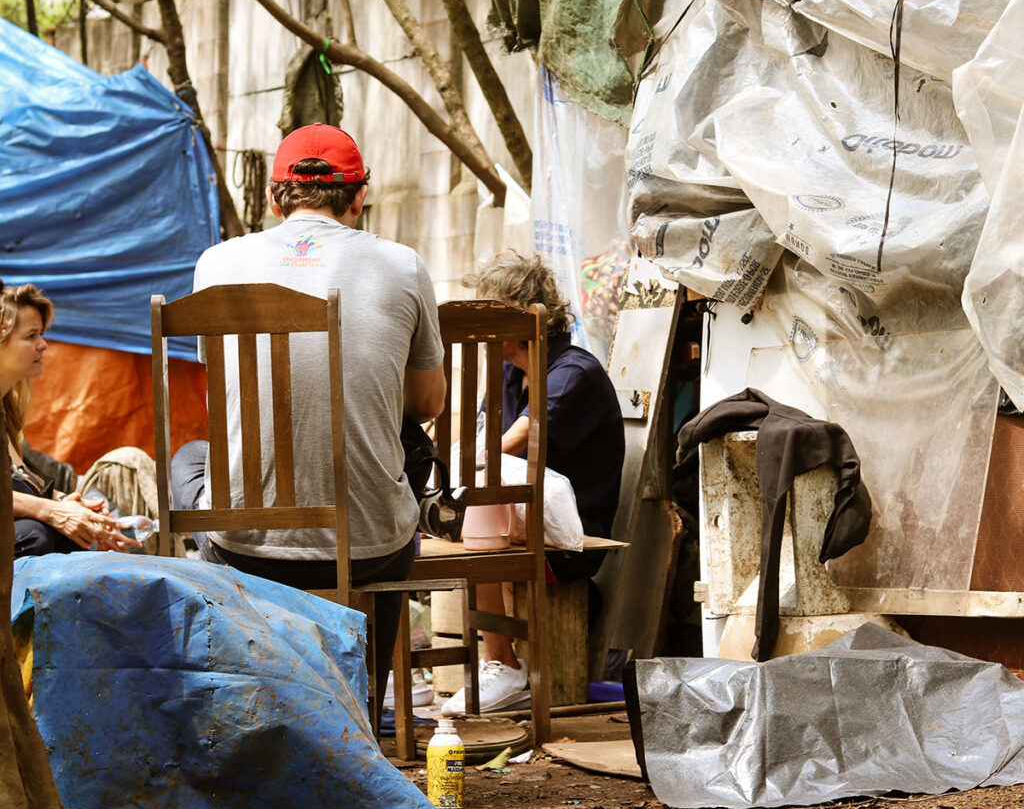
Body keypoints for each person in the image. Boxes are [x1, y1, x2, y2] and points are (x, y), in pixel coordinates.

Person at [171, 123, 446, 722]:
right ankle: (358, 712)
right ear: (359, 197)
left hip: (246, 546)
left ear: (274, 199)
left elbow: (222, 392)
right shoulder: (402, 265)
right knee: (395, 460)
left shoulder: (216, 262)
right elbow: (428, 404)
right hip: (368, 544)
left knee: (190, 460)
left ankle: (252, 703)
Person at [442, 251, 625, 715]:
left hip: (571, 538)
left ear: (524, 317)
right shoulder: (508, 374)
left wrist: (455, 462)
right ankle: (497, 664)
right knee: (467, 510)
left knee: (478, 515)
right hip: (519, 519)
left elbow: (510, 443)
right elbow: (482, 440)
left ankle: (503, 665)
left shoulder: (573, 373)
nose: (480, 326)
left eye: (490, 312)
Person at [1, 282, 136, 556]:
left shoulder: (6, 412)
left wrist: (69, 503)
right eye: (31, 336)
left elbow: (19, 481)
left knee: (85, 527)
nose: (43, 345)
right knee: (33, 534)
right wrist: (53, 511)